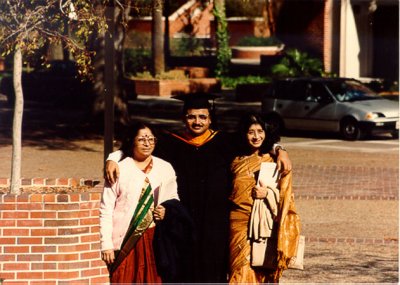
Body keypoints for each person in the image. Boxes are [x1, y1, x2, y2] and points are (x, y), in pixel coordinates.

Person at [105, 92, 292, 283]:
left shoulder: (225, 141)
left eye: (202, 117)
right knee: (182, 268)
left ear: (210, 119)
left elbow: (259, 141)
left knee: (214, 270)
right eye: (191, 117)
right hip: (182, 221)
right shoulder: (171, 142)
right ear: (184, 118)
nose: (197, 121)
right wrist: (113, 159)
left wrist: (280, 150)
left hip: (216, 223)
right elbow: (139, 147)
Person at [100, 122, 185, 283]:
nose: (147, 144)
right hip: (125, 239)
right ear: (132, 140)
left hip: (155, 239)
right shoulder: (119, 169)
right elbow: (106, 208)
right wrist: (106, 244)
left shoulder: (165, 167)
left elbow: (174, 199)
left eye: (151, 139)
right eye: (141, 140)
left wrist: (166, 210)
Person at [228, 114, 300, 283]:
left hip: (264, 225)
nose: (256, 136)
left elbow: (287, 198)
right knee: (239, 268)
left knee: (262, 270)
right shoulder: (234, 159)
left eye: (260, 131)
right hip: (237, 224)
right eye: (250, 132)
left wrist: (267, 194)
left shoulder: (275, 161)